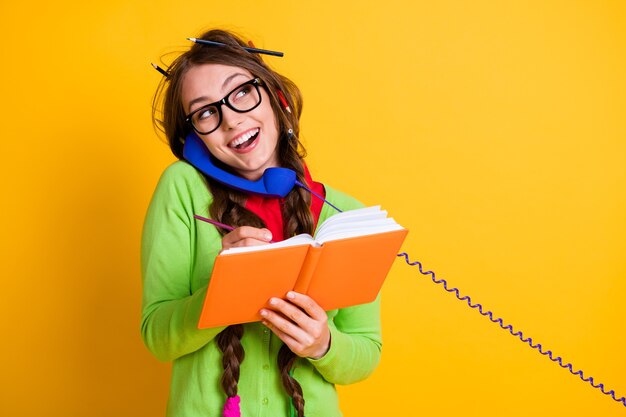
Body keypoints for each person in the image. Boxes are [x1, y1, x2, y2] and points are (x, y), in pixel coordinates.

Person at [141, 29, 382, 417]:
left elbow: (366, 352)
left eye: (241, 92)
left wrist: (323, 344)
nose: (231, 121)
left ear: (276, 98)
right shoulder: (181, 188)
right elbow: (157, 337)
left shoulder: (343, 212)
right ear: (195, 137)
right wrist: (221, 289)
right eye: (205, 112)